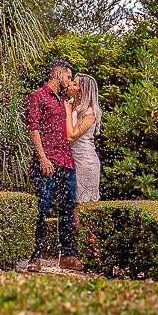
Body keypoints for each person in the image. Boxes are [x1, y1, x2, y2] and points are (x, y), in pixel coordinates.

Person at [24, 60, 83, 271]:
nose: (69, 81)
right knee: (41, 209)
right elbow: (33, 129)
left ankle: (66, 254)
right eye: (68, 77)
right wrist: (42, 158)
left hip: (67, 162)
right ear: (58, 75)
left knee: (67, 210)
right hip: (46, 162)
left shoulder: (64, 100)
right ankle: (35, 256)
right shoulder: (37, 96)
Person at [64, 74, 102, 229]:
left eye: (74, 84)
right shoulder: (71, 105)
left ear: (81, 91)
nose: (69, 85)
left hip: (85, 162)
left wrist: (67, 111)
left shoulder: (90, 112)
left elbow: (71, 136)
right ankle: (75, 247)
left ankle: (91, 247)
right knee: (71, 206)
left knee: (84, 209)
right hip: (72, 161)